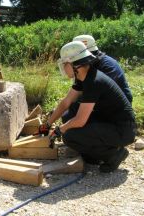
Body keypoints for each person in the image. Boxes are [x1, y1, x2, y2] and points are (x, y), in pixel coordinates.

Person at [40, 41, 136, 173]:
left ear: (74, 64)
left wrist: (59, 130)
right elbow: (66, 102)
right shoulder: (83, 76)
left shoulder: (94, 81)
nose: (63, 67)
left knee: (69, 136)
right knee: (69, 115)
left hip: (122, 129)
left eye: (64, 63)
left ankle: (114, 155)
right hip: (110, 122)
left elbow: (80, 120)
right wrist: (47, 125)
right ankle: (95, 153)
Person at [61, 35, 133, 123]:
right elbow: (73, 96)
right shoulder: (85, 68)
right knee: (69, 114)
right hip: (101, 102)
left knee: (75, 120)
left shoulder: (107, 66)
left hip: (117, 109)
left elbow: (100, 94)